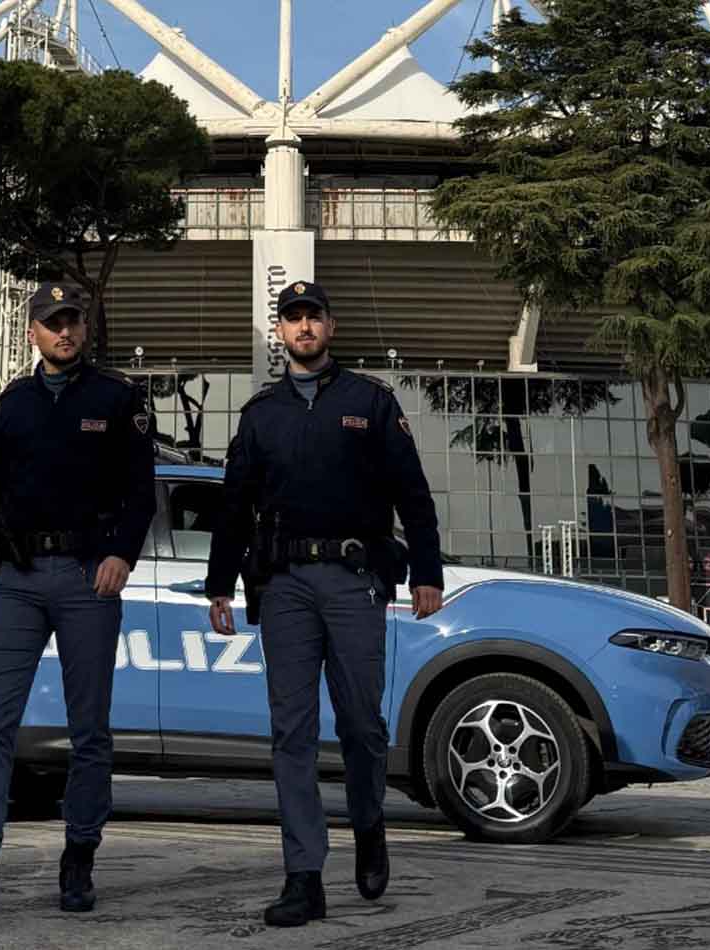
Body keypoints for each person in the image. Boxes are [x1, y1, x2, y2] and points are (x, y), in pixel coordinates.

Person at [205, 280, 444, 928]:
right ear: (280, 332)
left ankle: (369, 827)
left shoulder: (370, 401)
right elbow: (234, 506)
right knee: (292, 731)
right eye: (293, 318)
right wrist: (219, 584)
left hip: (354, 581)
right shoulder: (260, 415)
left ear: (331, 327)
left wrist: (427, 573)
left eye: (314, 316)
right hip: (284, 587)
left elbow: (413, 496)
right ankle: (303, 876)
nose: (304, 327)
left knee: (363, 723)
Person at [0, 282, 155, 927]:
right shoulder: (14, 403)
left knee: (89, 732)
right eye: (52, 323)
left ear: (85, 328)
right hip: (18, 579)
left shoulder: (116, 399)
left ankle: (79, 854)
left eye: (73, 322)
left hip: (89, 578)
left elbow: (141, 491)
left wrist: (122, 555)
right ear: (32, 332)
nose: (64, 332)